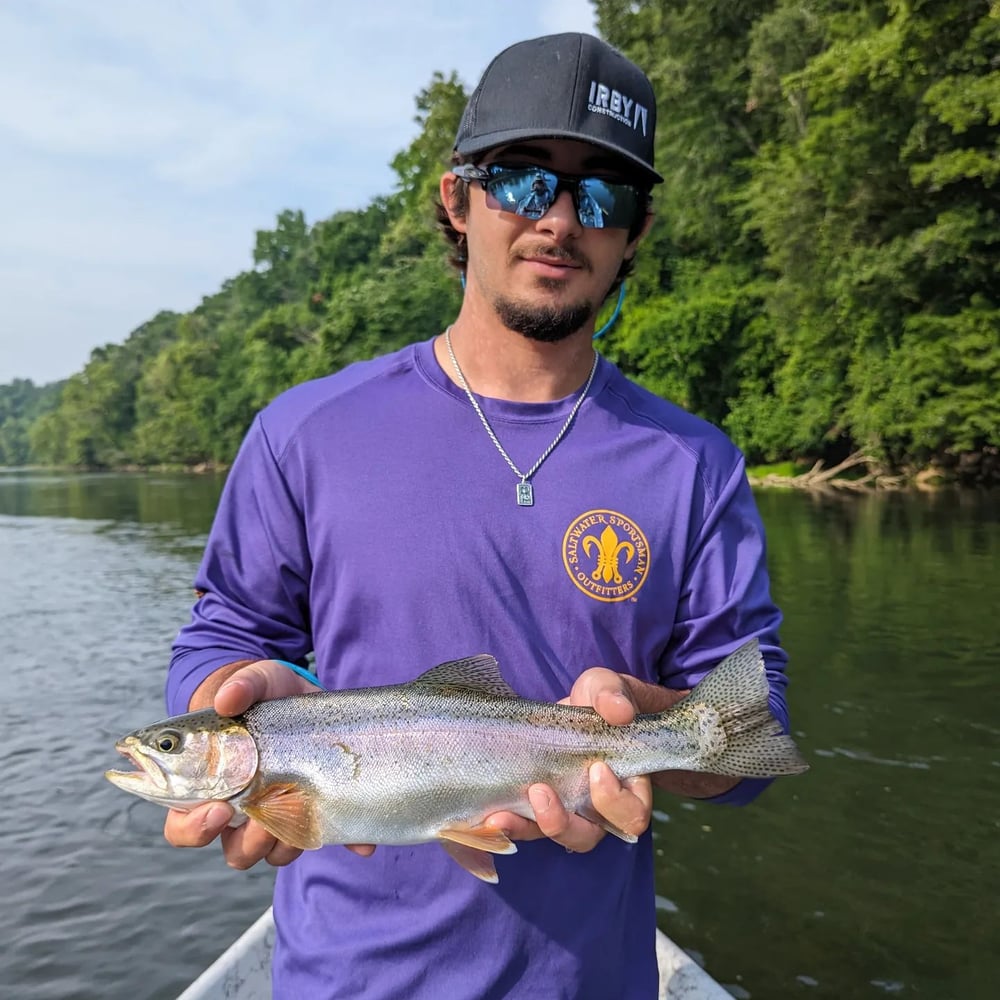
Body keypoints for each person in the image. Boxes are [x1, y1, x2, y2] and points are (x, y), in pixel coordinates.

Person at [164, 32, 792, 1000]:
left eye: (602, 193)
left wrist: (654, 729)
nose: (560, 220)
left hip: (594, 978)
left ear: (635, 233)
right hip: (345, 977)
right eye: (524, 180)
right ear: (457, 199)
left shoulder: (694, 462)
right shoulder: (304, 430)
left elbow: (750, 736)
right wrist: (228, 688)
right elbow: (227, 631)